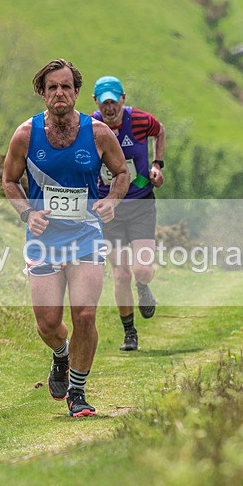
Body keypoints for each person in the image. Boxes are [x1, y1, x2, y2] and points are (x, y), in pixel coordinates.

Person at [2, 59, 128, 417]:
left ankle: (78, 392)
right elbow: (9, 181)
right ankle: (61, 354)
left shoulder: (99, 132)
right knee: (48, 322)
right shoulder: (26, 135)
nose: (60, 93)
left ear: (76, 93)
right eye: (52, 87)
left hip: (87, 235)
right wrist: (28, 213)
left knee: (85, 314)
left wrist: (111, 201)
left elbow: (121, 173)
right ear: (42, 92)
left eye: (66, 87)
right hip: (43, 239)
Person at [91, 76, 166, 352]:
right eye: (105, 102)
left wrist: (157, 164)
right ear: (96, 102)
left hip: (140, 203)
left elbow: (160, 131)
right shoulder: (90, 127)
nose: (110, 107)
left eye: (114, 101)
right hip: (109, 209)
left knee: (142, 269)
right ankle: (129, 332)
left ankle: (144, 286)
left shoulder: (140, 120)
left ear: (123, 98)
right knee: (121, 273)